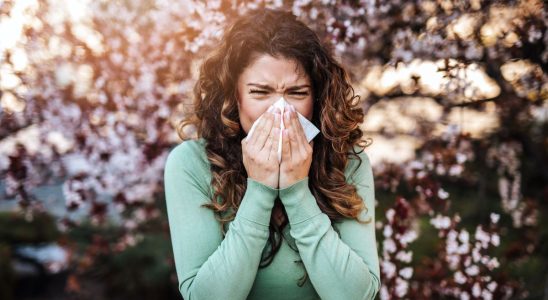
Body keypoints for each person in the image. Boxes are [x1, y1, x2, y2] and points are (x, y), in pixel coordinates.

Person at [164, 8, 380, 300]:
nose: (280, 111)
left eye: (297, 92)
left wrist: (296, 191)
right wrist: (261, 190)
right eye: (260, 92)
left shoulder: (346, 161)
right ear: (234, 97)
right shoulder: (191, 163)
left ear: (317, 99)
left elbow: (357, 295)